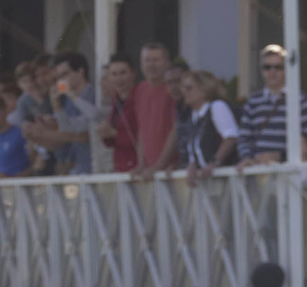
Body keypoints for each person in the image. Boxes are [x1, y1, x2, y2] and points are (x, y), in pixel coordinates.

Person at [236, 45, 307, 167]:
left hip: (289, 171)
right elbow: (244, 138)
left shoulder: (301, 100)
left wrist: (279, 156)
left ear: (287, 69)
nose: (272, 71)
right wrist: (247, 158)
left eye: (278, 67)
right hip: (257, 171)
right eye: (267, 67)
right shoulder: (253, 101)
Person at [127, 42, 183, 178]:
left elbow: (176, 129)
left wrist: (159, 165)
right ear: (141, 64)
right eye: (147, 60)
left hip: (172, 170)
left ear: (167, 63)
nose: (151, 65)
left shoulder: (173, 90)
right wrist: (142, 163)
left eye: (156, 60)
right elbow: (142, 130)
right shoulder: (139, 90)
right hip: (150, 170)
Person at [182, 70, 240, 184]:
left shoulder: (216, 107)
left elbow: (231, 137)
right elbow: (195, 150)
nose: (184, 92)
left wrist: (215, 162)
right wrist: (193, 165)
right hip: (210, 182)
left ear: (204, 90)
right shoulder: (194, 117)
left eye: (189, 88)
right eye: (184, 88)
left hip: (227, 178)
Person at [100, 53, 141, 172]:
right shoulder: (116, 100)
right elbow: (111, 142)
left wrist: (114, 133)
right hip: (120, 166)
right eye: (114, 74)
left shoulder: (140, 98)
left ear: (133, 74)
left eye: (123, 73)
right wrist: (105, 133)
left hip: (138, 166)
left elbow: (142, 137)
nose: (118, 79)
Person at [0, 94, 30, 178]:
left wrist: (12, 178)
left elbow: (34, 164)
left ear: (5, 111)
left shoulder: (21, 134)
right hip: (4, 185)